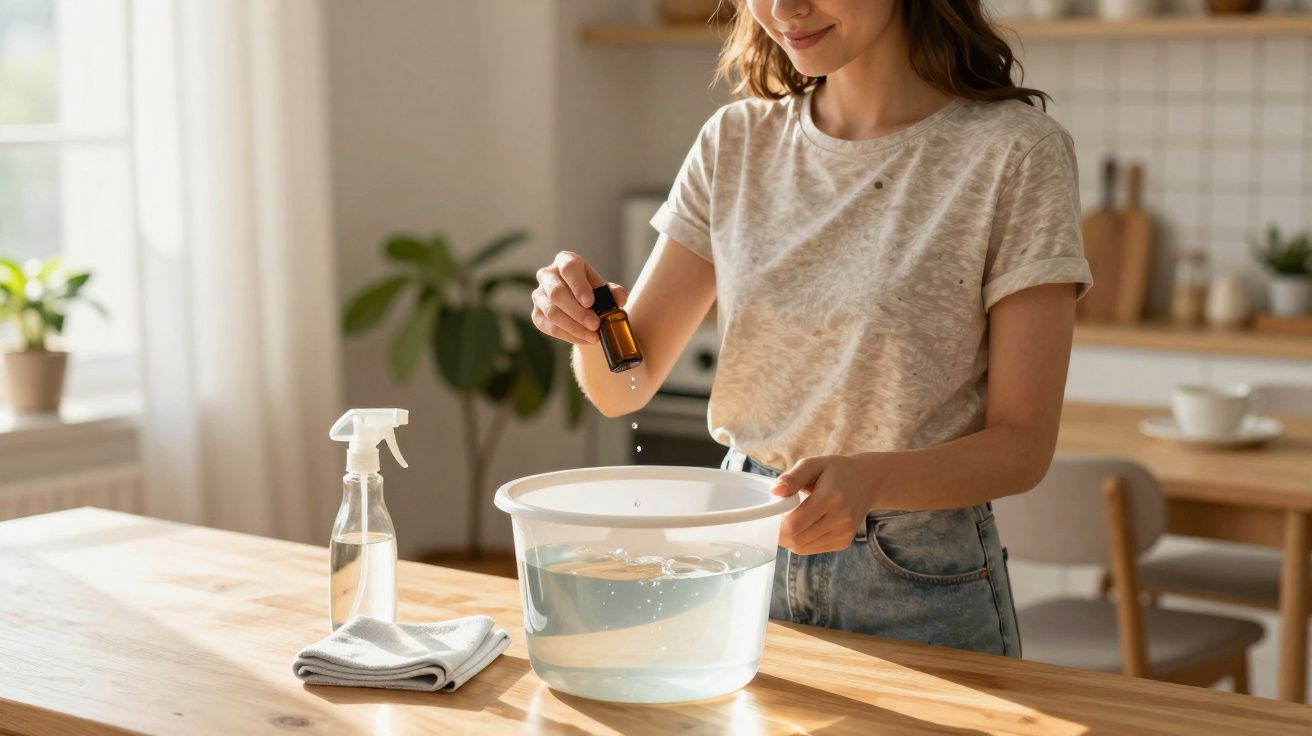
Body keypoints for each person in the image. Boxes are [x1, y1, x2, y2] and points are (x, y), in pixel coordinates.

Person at [529, 0, 1092, 657]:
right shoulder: (735, 142)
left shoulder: (1016, 154)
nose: (782, 9)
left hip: (918, 582)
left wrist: (871, 481)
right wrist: (588, 322)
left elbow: (1023, 446)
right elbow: (623, 388)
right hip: (744, 556)